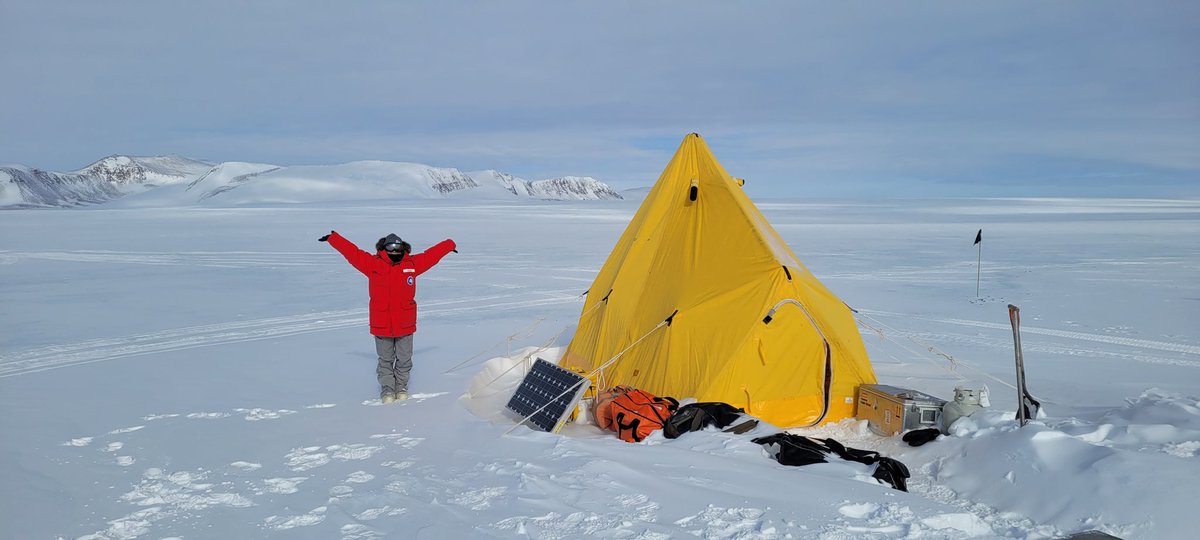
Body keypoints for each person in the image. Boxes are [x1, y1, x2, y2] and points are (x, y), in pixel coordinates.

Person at [320, 231, 457, 403]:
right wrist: (334, 238)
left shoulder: (412, 264)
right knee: (385, 359)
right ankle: (387, 390)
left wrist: (449, 245)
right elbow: (352, 253)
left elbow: (431, 256)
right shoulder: (372, 264)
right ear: (383, 248)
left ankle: (401, 387)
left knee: (404, 359)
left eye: (397, 248)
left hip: (405, 322)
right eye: (390, 248)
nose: (394, 252)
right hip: (382, 323)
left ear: (402, 249)